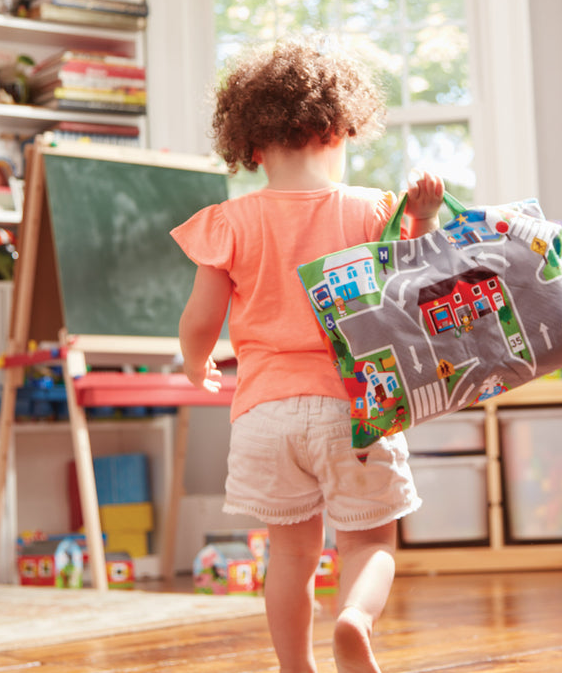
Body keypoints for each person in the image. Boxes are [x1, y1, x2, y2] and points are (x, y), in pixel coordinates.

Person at [171, 36, 445, 673]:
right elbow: (420, 279)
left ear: (252, 145)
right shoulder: (372, 210)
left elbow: (200, 318)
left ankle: (296, 668)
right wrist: (425, 217)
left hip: (264, 414)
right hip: (357, 405)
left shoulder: (228, 222)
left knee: (290, 557)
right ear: (339, 129)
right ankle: (353, 618)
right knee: (370, 540)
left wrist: (195, 361)